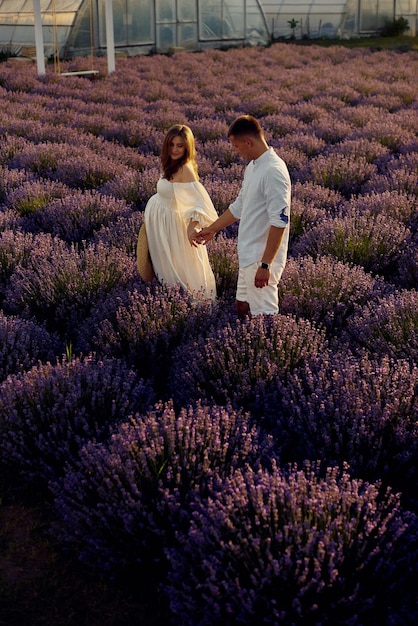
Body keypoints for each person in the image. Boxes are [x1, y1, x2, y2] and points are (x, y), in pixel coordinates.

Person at [194, 115, 291, 318]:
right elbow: (239, 206)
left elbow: (280, 222)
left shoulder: (273, 171)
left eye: (237, 147)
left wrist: (266, 265)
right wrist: (212, 228)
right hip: (248, 254)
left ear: (249, 142)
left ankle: (264, 349)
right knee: (242, 305)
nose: (236, 152)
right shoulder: (254, 166)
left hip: (260, 257)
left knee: (264, 315)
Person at [142, 124, 218, 300]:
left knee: (177, 270)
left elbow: (199, 204)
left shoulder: (185, 169)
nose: (174, 150)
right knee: (165, 267)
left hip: (172, 228)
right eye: (171, 145)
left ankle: (190, 308)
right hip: (162, 226)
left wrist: (192, 227)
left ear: (187, 147)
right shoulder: (171, 164)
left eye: (180, 145)